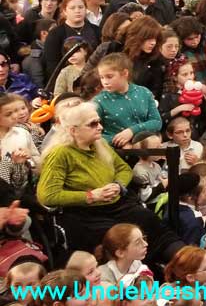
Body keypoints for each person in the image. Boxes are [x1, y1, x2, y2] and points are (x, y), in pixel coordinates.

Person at [37, 102, 183, 264]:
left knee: (150, 221)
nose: (99, 127)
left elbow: (124, 169)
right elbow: (48, 195)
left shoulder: (101, 144)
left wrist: (118, 185)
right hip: (86, 214)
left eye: (99, 122)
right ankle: (137, 272)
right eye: (93, 124)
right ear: (73, 130)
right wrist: (91, 196)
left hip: (118, 204)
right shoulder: (60, 153)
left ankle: (185, 261)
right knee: (119, 237)